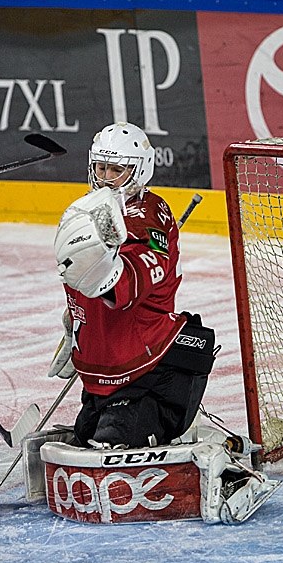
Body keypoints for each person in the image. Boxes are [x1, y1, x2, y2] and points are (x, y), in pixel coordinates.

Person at [49, 122, 215, 449]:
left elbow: (130, 282)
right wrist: (78, 327)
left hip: (145, 365)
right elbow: (81, 280)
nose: (105, 177)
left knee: (106, 445)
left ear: (140, 171)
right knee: (84, 437)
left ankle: (162, 418)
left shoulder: (147, 215)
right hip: (105, 364)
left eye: (117, 169)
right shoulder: (89, 210)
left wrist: (104, 273)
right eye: (100, 167)